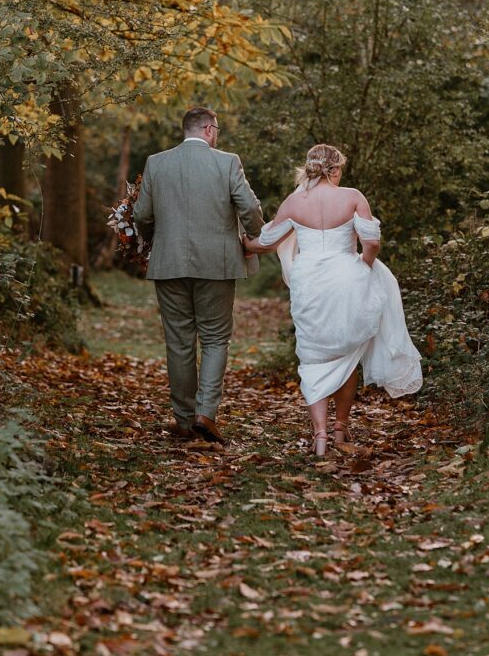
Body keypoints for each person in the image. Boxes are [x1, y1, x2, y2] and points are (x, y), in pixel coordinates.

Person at [242, 143, 422, 456]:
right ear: (336, 169)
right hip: (347, 278)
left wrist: (244, 241)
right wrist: (364, 264)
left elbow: (266, 243)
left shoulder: (294, 202)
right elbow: (373, 242)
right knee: (347, 354)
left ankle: (320, 436)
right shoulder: (353, 197)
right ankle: (340, 427)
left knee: (313, 358)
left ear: (309, 168)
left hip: (309, 283)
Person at [133, 107, 263, 445]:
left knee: (178, 341)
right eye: (216, 128)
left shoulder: (156, 163)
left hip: (169, 262)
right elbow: (249, 208)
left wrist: (151, 242)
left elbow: (142, 214)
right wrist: (253, 238)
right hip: (217, 265)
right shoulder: (227, 162)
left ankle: (184, 420)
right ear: (208, 129)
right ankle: (206, 413)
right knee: (216, 338)